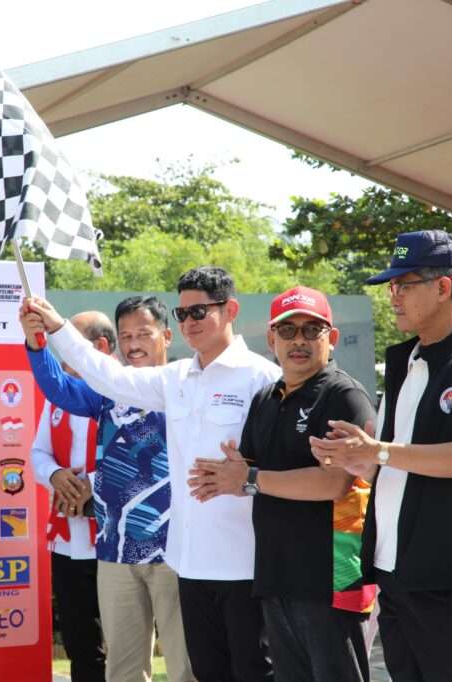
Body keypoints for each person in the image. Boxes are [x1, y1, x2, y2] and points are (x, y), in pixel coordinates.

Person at [25, 266, 281, 682]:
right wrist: (50, 332)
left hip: (223, 559)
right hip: (158, 555)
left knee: (227, 671)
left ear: (230, 310)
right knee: (169, 671)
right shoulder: (167, 382)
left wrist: (248, 477)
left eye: (199, 312)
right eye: (184, 314)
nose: (190, 322)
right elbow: (96, 375)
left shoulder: (258, 377)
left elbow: (282, 459)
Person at [313, 230, 452, 682]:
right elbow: (398, 463)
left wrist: (379, 451)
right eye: (391, 286)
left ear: (444, 286)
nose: (393, 297)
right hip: (396, 573)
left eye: (403, 285)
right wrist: (357, 460)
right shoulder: (403, 361)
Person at [188, 286, 376, 682]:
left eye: (311, 330)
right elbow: (251, 468)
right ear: (271, 339)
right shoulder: (266, 398)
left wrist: (249, 479)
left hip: (331, 581)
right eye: (288, 331)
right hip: (276, 578)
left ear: (332, 338)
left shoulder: (343, 395)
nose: (298, 341)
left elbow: (333, 483)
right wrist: (228, 475)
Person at [21, 296, 194, 682]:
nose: (133, 344)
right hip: (115, 549)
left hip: (174, 549)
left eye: (143, 334)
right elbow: (58, 387)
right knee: (122, 670)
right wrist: (37, 343)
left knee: (185, 666)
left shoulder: (185, 385)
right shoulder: (109, 390)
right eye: (126, 336)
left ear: (166, 336)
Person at [30, 311, 113, 682]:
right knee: (80, 642)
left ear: (100, 346)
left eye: (69, 342)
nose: (62, 353)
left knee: (120, 641)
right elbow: (37, 453)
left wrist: (89, 484)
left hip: (111, 540)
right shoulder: (57, 396)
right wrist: (56, 475)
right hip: (67, 539)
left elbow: (137, 457)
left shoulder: (123, 391)